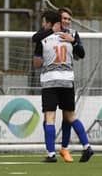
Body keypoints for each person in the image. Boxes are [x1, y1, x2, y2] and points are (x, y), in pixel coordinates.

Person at [33, 10, 94, 163]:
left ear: (50, 23)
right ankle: (87, 146)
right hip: (67, 81)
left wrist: (42, 60)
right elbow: (80, 54)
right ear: (59, 21)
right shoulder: (69, 39)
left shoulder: (44, 39)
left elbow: (36, 63)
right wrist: (72, 42)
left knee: (50, 117)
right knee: (71, 116)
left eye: (44, 23)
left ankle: (51, 154)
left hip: (50, 81)